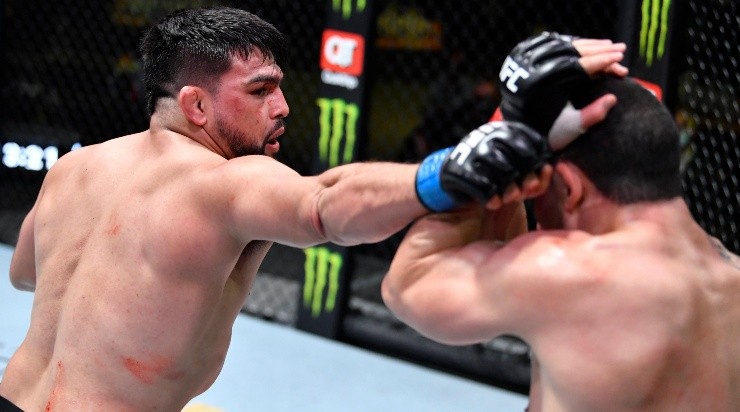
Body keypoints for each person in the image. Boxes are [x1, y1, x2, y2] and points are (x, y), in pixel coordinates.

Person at [0, 6, 628, 410]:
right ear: (196, 106)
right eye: (260, 91)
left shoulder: (76, 168)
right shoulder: (225, 183)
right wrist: (452, 171)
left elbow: (24, 274)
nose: (283, 107)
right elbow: (325, 203)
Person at [382, 75, 740, 411]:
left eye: (538, 191)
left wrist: (483, 164)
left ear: (569, 188)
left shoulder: (566, 269)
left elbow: (407, 285)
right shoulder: (731, 274)